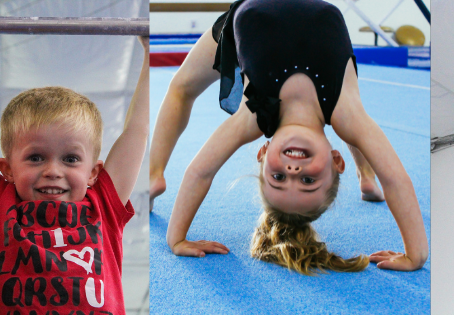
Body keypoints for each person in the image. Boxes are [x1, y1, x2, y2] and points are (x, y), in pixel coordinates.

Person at [156, 0, 428, 274]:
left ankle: (154, 173)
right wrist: (416, 254)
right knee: (355, 119)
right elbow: (395, 179)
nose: (293, 170)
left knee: (180, 88)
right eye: (308, 180)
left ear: (262, 154)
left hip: (249, 12)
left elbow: (200, 172)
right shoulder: (345, 113)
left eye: (278, 178)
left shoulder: (252, 116)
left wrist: (176, 237)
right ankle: (366, 175)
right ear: (337, 162)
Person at [0, 10, 149, 313]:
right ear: (7, 169)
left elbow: (137, 130)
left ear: (93, 172)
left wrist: (149, 53)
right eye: (35, 158)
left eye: (71, 159)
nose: (52, 171)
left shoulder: (102, 206)